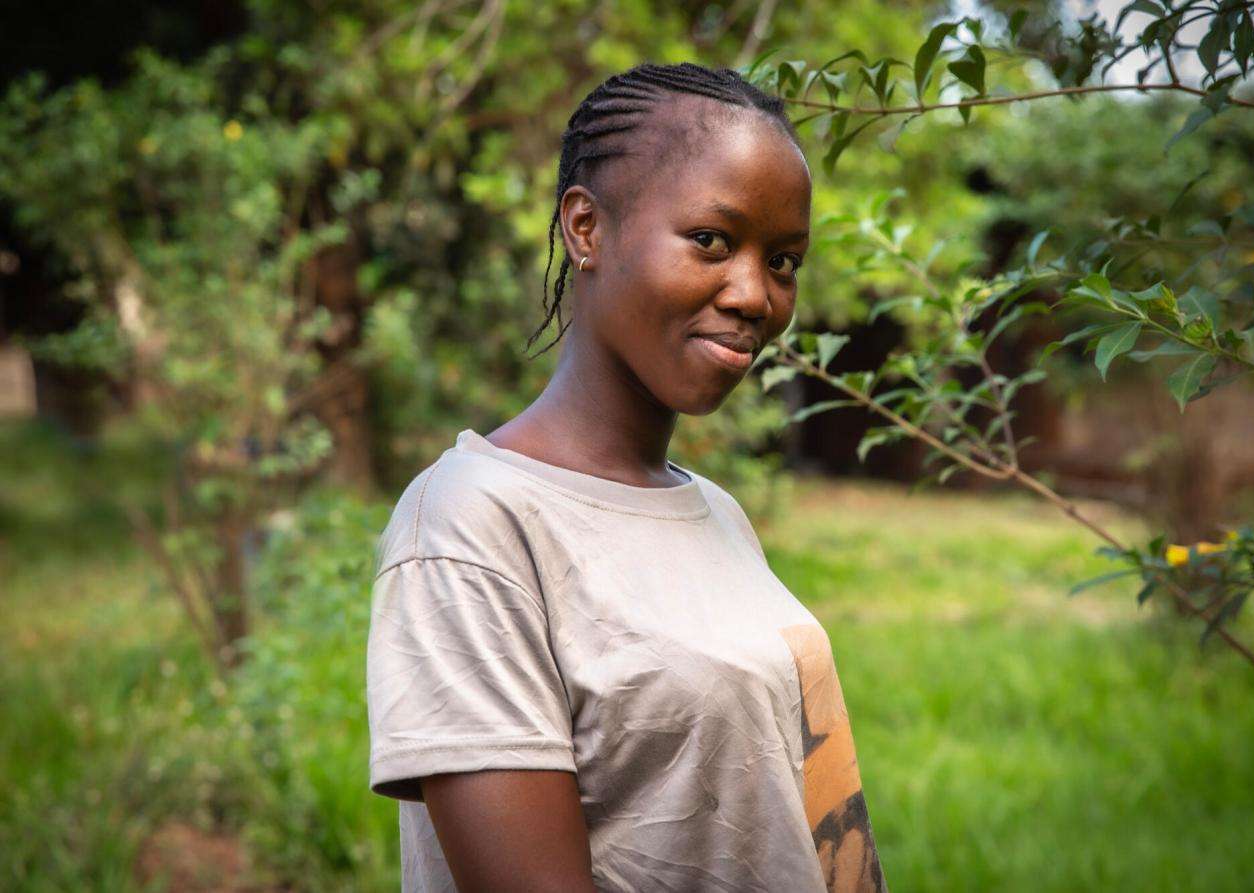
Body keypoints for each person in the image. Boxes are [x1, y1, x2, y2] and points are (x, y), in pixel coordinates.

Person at [366, 61, 886, 892]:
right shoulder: (470, 525)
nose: (756, 295)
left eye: (783, 260)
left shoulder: (712, 510)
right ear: (586, 228)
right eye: (712, 241)